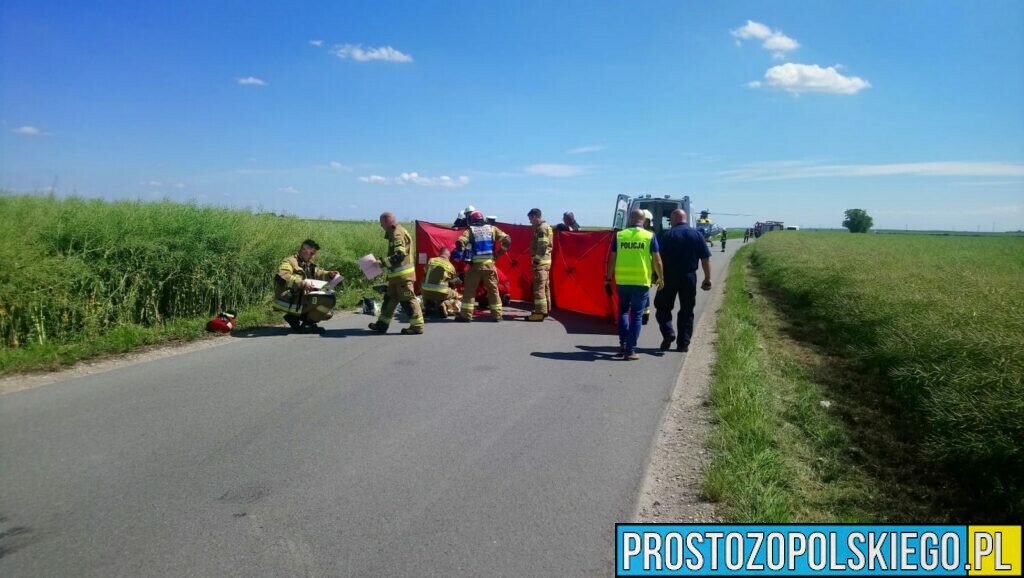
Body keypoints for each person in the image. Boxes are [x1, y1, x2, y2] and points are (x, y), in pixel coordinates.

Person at [605, 209, 664, 360]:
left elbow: (611, 258)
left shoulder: (620, 235)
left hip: (623, 281)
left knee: (623, 312)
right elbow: (657, 260)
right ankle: (630, 351)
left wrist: (608, 278)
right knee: (637, 316)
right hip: (641, 282)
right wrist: (661, 278)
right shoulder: (649, 236)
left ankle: (623, 344)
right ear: (644, 221)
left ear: (630, 219)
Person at [655, 209, 712, 352]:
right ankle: (683, 344)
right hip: (689, 276)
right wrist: (707, 278)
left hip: (668, 276)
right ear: (685, 219)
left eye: (670, 220)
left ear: (674, 219)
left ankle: (668, 332)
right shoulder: (697, 235)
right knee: (687, 310)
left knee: (663, 307)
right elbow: (705, 259)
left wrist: (656, 276)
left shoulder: (666, 235)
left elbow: (657, 259)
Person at [368, 212, 425, 335]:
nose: (381, 225)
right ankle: (382, 324)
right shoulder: (398, 231)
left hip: (403, 276)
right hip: (396, 277)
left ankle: (417, 326)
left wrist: (381, 263)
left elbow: (399, 255)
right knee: (389, 300)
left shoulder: (396, 233)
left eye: (381, 223)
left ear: (387, 222)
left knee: (408, 300)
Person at [454, 210, 511, 322]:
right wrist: (499, 253)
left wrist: (461, 251)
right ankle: (497, 315)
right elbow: (507, 240)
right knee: (493, 290)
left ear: (471, 220)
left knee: (470, 291)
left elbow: (460, 242)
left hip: (475, 267)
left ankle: (465, 316)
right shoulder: (492, 229)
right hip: (489, 266)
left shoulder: (470, 230)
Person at [273, 240, 340, 333]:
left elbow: (318, 273)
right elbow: (283, 276)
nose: (313, 256)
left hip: (300, 300)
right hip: (288, 300)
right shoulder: (290, 262)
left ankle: (295, 317)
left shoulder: (307, 264)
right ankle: (307, 323)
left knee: (328, 309)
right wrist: (302, 284)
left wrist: (330, 274)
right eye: (312, 253)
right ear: (304, 250)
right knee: (328, 300)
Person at [526, 208, 554, 322]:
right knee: (545, 287)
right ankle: (545, 310)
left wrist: (536, 261)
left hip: (541, 263)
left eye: (530, 219)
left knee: (539, 289)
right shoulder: (546, 226)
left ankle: (540, 313)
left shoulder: (541, 229)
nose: (530, 222)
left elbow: (542, 246)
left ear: (535, 217)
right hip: (546, 262)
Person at [421, 247, 461, 318]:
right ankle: (445, 304)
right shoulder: (450, 266)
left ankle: (429, 307)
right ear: (448, 255)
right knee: (456, 294)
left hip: (425, 291)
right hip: (442, 292)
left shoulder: (431, 260)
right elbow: (453, 281)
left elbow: (425, 272)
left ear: (439, 253)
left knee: (426, 286)